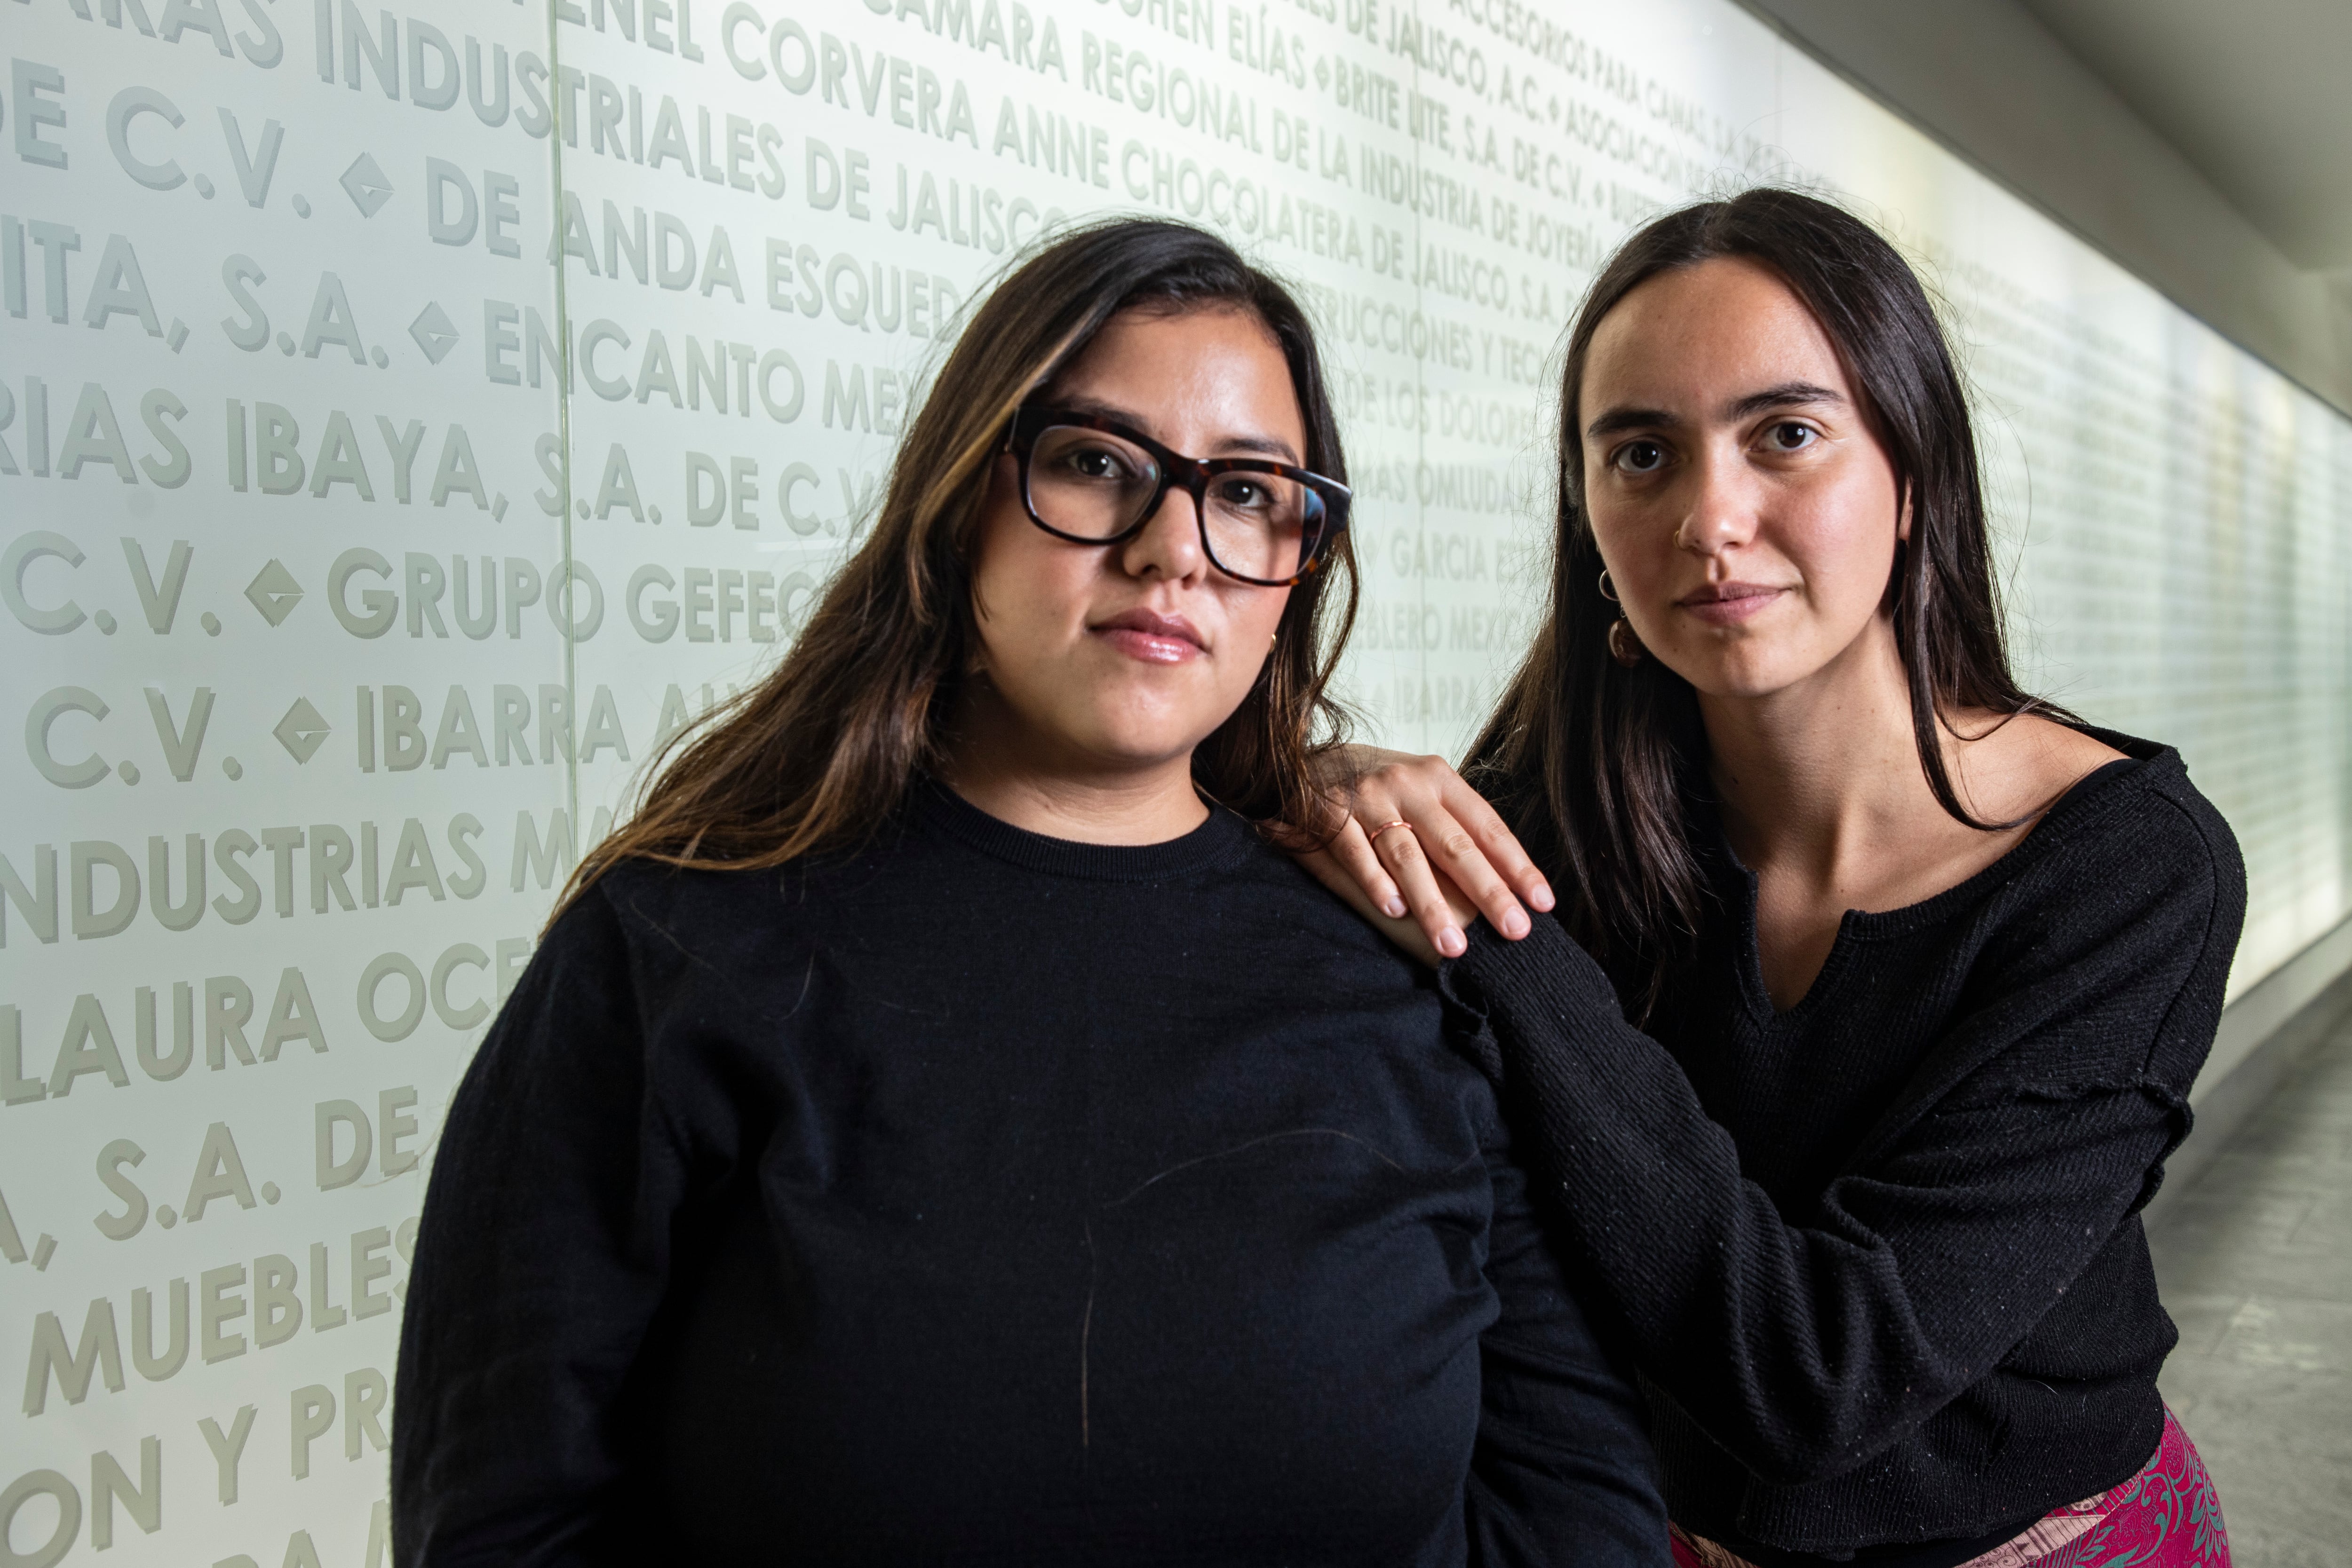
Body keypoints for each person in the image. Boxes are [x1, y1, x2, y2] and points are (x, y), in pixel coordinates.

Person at [390, 219, 1667, 1566]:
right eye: (1097, 463)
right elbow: (503, 1524)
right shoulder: (672, 950)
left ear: (1299, 567)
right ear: (965, 508)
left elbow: (1576, 1519)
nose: (1175, 547)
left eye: (1246, 493)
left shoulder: (1408, 970)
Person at [1305, 190, 2241, 1568]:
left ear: (1913, 474)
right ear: (1586, 508)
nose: (1709, 518)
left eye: (1786, 435)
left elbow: (1824, 1374)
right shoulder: (1558, 809)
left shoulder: (2125, 872)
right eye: (1641, 454)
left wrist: (1497, 944)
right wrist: (1325, 776)